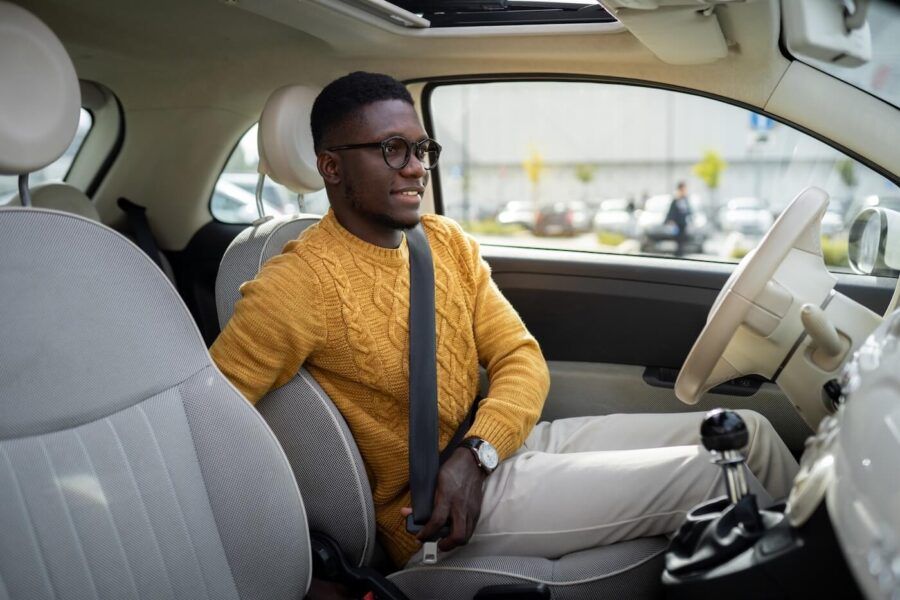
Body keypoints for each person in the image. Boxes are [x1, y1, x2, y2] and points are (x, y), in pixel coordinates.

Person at [210, 72, 798, 569]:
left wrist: (478, 453)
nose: (416, 168)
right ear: (330, 167)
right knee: (712, 473)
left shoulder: (444, 243)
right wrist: (303, 562)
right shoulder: (296, 284)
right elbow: (208, 427)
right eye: (392, 149)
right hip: (429, 511)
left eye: (422, 149)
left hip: (492, 455)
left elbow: (521, 358)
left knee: (752, 434)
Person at [666, 181, 692, 256]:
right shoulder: (676, 199)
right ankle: (678, 252)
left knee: (683, 238)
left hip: (683, 222)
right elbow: (672, 211)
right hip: (677, 223)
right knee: (678, 238)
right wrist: (671, 220)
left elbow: (688, 210)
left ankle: (681, 252)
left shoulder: (685, 199)